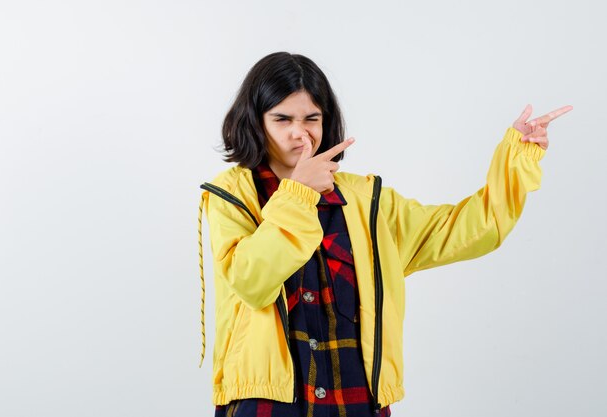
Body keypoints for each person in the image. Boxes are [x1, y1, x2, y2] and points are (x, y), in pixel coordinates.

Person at [196, 51, 572, 417]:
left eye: (312, 118)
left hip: (357, 401)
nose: (301, 134)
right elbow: (251, 280)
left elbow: (470, 228)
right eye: (282, 119)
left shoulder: (366, 203)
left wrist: (516, 158)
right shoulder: (232, 196)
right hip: (264, 405)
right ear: (256, 121)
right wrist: (298, 194)